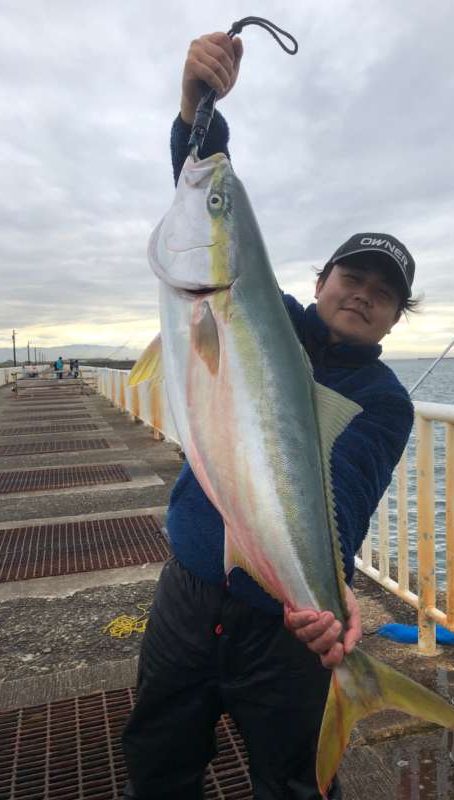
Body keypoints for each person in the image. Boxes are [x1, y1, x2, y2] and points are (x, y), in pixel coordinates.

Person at [122, 32, 416, 800]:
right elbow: (208, 205)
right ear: (320, 281)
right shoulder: (261, 315)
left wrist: (331, 596)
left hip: (289, 626)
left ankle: (353, 686)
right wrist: (197, 105)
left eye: (382, 293)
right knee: (157, 759)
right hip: (190, 587)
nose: (361, 294)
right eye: (351, 276)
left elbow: (342, 488)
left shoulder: (384, 401)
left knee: (289, 784)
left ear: (393, 319)